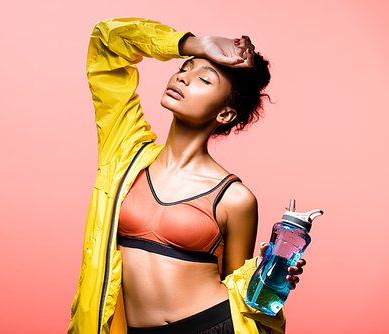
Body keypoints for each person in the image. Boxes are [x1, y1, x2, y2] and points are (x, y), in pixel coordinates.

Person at [68, 18, 305, 334]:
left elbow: (238, 287)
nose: (183, 77)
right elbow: (107, 41)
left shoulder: (235, 198)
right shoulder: (124, 152)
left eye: (204, 79)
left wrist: (263, 273)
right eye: (185, 68)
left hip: (212, 326)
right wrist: (196, 43)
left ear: (225, 114)